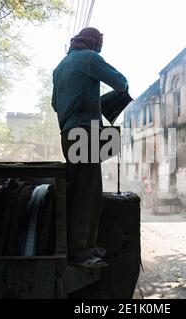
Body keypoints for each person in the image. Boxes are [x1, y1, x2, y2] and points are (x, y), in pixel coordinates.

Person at [52, 27, 128, 267]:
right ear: (94, 43)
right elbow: (121, 82)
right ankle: (80, 251)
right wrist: (109, 99)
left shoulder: (60, 67)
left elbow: (56, 104)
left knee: (78, 189)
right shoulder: (89, 57)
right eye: (99, 46)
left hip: (68, 133)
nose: (99, 50)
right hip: (85, 132)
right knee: (88, 193)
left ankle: (80, 245)